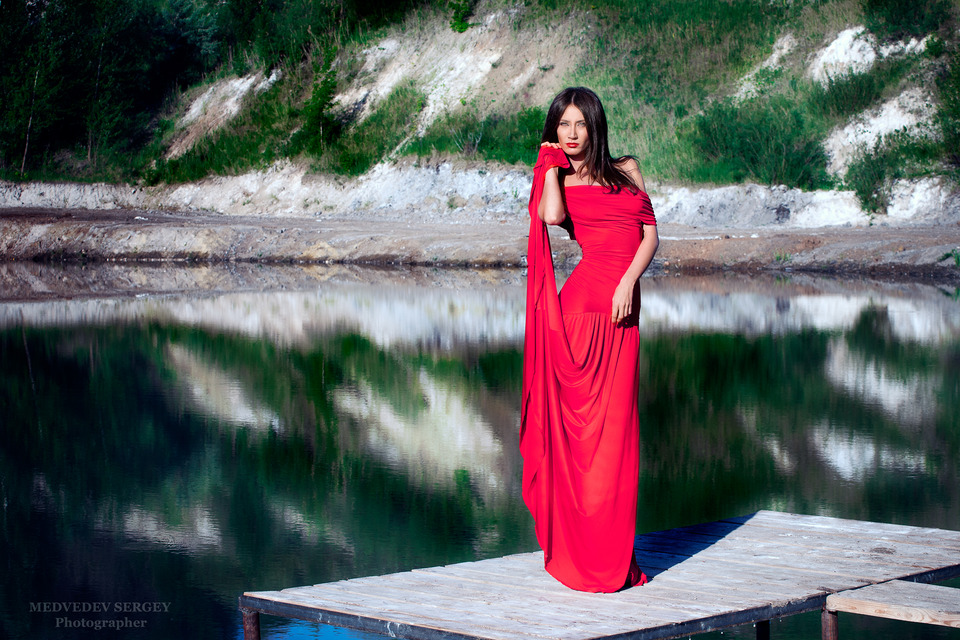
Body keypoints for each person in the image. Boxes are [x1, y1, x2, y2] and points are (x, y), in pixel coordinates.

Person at [520, 86, 659, 593]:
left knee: (617, 441)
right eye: (562, 126)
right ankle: (586, 555)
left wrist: (628, 282)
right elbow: (552, 218)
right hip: (581, 316)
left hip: (621, 312)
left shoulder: (628, 168)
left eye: (579, 124)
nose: (571, 134)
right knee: (584, 444)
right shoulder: (558, 177)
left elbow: (649, 234)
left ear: (595, 124)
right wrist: (548, 164)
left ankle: (614, 557)